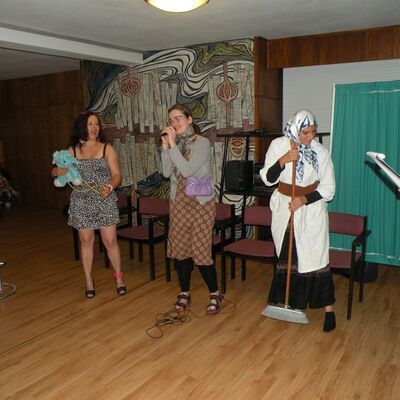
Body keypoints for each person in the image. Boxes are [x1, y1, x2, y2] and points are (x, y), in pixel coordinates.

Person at [260, 109, 336, 332]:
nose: (310, 137)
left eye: (313, 132)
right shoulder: (278, 145)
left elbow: (329, 188)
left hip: (310, 208)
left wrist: (303, 199)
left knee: (315, 257)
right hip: (284, 207)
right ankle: (293, 302)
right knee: (288, 255)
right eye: (305, 132)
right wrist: (284, 160)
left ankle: (328, 310)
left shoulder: (320, 152)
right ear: (294, 129)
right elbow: (267, 178)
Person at [52, 111, 126, 298]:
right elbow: (57, 170)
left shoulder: (107, 148)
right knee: (86, 241)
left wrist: (110, 187)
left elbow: (117, 175)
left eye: (97, 124)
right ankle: (88, 281)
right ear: (82, 127)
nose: (94, 127)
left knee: (110, 241)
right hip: (81, 201)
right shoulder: (72, 151)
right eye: (90, 124)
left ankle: (118, 278)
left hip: (104, 199)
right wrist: (56, 172)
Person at [160, 104, 222, 314]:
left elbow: (187, 170)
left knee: (200, 250)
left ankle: (215, 293)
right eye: (171, 120)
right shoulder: (174, 144)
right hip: (178, 203)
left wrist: (172, 145)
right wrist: (165, 147)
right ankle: (184, 292)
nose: (174, 123)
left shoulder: (201, 143)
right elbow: (166, 173)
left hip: (200, 203)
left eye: (178, 118)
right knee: (181, 251)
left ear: (189, 120)